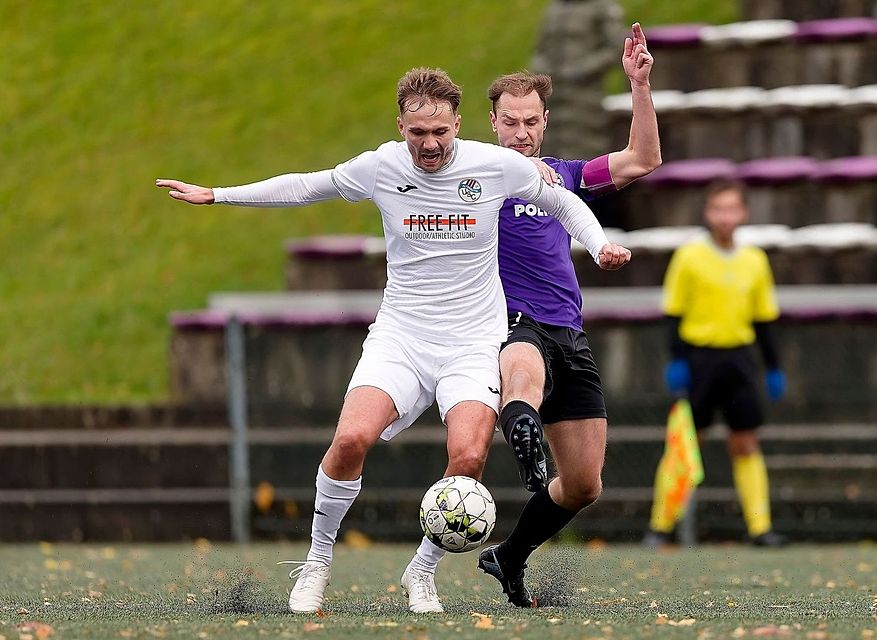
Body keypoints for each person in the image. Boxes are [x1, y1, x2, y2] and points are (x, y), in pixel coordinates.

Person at [156, 67, 631, 615]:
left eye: (440, 132)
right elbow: (308, 186)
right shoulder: (381, 166)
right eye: (417, 133)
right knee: (350, 440)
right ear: (401, 126)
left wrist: (597, 243)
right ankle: (316, 562)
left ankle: (422, 570)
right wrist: (218, 195)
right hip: (401, 337)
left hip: (473, 342)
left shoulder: (495, 165)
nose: (429, 144)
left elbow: (564, 202)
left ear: (458, 124)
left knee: (469, 454)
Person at [475, 23, 660, 607]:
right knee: (523, 375)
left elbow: (643, 159)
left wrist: (639, 85)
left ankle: (508, 557)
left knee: (582, 485)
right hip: (511, 323)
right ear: (492, 123)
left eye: (531, 122)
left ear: (545, 122)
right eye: (510, 121)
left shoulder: (567, 175)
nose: (521, 133)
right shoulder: (470, 179)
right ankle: (521, 426)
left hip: (569, 334)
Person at [645, 179, 788, 548]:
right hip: (700, 360)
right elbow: (673, 313)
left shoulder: (754, 260)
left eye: (732, 208)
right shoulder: (689, 257)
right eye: (718, 208)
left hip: (739, 361)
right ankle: (661, 526)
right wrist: (677, 360)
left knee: (746, 443)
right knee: (684, 445)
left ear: (743, 213)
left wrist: (773, 366)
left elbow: (764, 319)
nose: (725, 216)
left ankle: (760, 528)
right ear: (708, 213)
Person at [531, 0, 625, 160]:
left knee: (582, 148)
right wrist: (541, 70)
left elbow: (616, 49)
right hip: (552, 94)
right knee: (547, 146)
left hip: (583, 96)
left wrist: (583, 69)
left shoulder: (602, 7)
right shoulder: (556, 7)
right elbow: (541, 47)